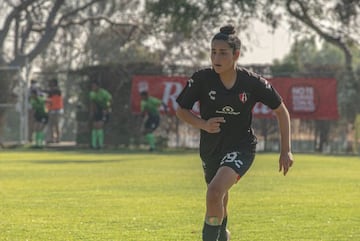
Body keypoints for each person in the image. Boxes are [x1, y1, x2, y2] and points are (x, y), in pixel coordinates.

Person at [175, 24, 294, 241]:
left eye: (222, 53)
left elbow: (281, 111)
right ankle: (222, 235)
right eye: (213, 52)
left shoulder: (252, 82)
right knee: (219, 196)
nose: (216, 57)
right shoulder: (202, 79)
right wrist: (203, 124)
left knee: (214, 192)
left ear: (236, 55)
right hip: (211, 148)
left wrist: (286, 151)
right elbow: (181, 110)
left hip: (241, 147)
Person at [89, 80, 112, 149]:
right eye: (92, 86)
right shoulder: (92, 93)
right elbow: (92, 103)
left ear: (98, 86)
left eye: (94, 86)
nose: (93, 87)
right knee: (94, 126)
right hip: (97, 111)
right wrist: (92, 112)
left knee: (100, 126)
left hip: (104, 110)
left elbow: (109, 101)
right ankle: (93, 145)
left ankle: (100, 145)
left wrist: (107, 109)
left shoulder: (104, 93)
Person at [46, 78, 64, 143]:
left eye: (52, 83)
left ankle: (58, 138)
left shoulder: (57, 90)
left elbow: (52, 93)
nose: (50, 84)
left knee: (56, 125)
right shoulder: (50, 92)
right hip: (51, 110)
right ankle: (51, 138)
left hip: (57, 109)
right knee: (50, 125)